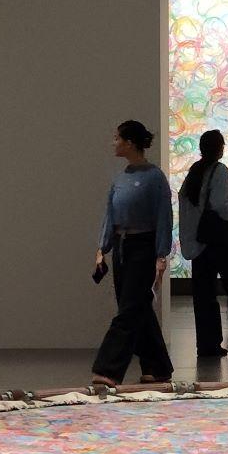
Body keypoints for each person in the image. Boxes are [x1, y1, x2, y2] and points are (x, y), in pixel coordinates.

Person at [91, 118, 174, 386]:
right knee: (138, 308)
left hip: (144, 248)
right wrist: (103, 248)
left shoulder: (154, 178)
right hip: (122, 248)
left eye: (117, 138)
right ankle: (158, 366)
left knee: (128, 310)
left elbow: (164, 217)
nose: (113, 143)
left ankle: (108, 369)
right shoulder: (120, 178)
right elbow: (110, 214)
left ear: (129, 142)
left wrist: (161, 255)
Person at [178, 128, 228, 358]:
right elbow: (220, 204)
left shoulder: (195, 171)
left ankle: (207, 345)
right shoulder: (219, 171)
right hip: (219, 240)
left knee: (204, 295)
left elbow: (187, 207)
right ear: (219, 148)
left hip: (200, 242)